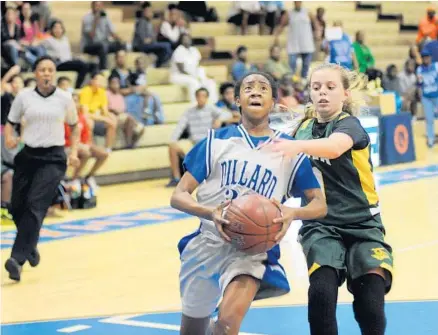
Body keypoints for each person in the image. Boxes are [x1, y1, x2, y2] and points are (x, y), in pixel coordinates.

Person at [170, 71, 327, 334]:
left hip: (252, 249)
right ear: (237, 101)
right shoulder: (215, 142)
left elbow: (319, 204)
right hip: (207, 244)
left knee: (228, 323)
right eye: (248, 88)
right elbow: (178, 195)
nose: (255, 92)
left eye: (263, 88)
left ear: (274, 102)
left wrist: (292, 212)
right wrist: (210, 212)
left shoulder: (288, 150)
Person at [266, 63, 394, 335]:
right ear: (310, 93)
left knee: (370, 305)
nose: (322, 93)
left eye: (330, 87)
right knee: (321, 294)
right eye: (316, 87)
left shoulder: (350, 125)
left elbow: (334, 147)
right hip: (321, 224)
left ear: (345, 94)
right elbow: (286, 179)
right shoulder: (301, 130)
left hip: (363, 223)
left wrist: (295, 147)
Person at [3, 56, 80, 282]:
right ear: (35, 73)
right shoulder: (24, 97)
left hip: (53, 158)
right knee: (16, 205)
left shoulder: (64, 98)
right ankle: (30, 244)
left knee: (35, 204)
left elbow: (74, 127)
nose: (46, 73)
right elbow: (11, 121)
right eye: (42, 70)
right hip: (28, 155)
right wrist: (9, 137)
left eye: (50, 70)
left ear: (54, 73)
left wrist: (73, 152)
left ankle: (16, 259)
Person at [416, 49, 438, 148]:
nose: (426, 59)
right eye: (424, 57)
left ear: (430, 57)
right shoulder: (420, 69)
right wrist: (421, 97)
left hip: (436, 95)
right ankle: (430, 139)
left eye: (427, 57)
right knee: (429, 119)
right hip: (426, 97)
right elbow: (420, 84)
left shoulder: (436, 66)